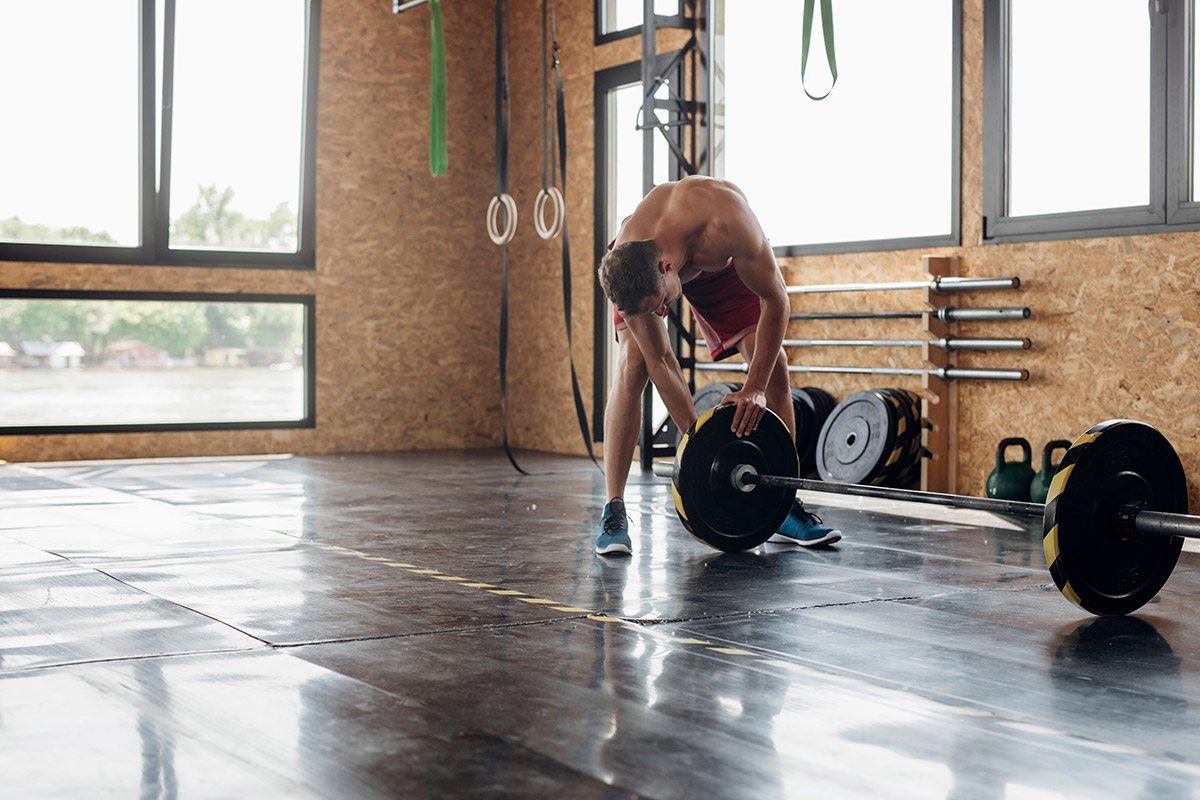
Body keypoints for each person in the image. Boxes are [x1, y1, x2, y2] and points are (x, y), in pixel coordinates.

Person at [595, 175, 842, 555]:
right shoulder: (635, 261)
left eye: (661, 303)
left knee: (773, 364)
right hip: (641, 266)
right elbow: (661, 360)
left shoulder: (727, 221)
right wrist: (703, 447)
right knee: (633, 363)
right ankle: (613, 510)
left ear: (666, 267)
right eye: (656, 310)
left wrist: (754, 388)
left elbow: (777, 303)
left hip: (719, 266)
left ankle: (783, 503)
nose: (664, 312)